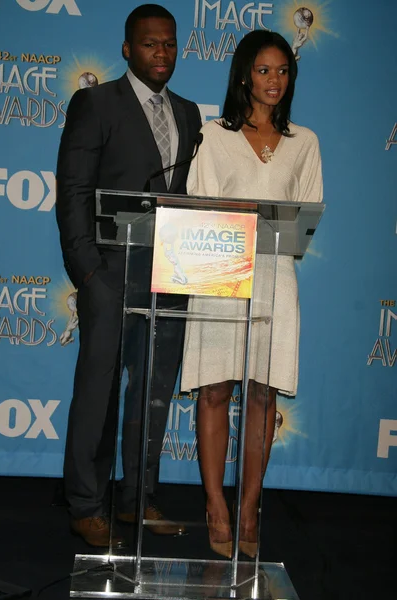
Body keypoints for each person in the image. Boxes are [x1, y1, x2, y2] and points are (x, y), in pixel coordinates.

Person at [56, 4, 201, 548]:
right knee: (99, 389)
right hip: (108, 272)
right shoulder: (95, 103)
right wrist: (87, 269)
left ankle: (138, 498)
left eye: (169, 44)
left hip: (171, 271)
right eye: (150, 44)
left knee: (155, 391)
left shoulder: (189, 113)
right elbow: (72, 189)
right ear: (126, 49)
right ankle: (85, 504)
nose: (161, 53)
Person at [181, 30, 323, 558]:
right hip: (221, 269)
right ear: (244, 74)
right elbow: (197, 203)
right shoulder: (212, 136)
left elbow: (307, 218)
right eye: (264, 70)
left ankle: (248, 509)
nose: (274, 81)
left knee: (262, 395)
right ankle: (216, 505)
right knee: (215, 390)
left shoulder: (304, 142)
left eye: (283, 71)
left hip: (275, 276)